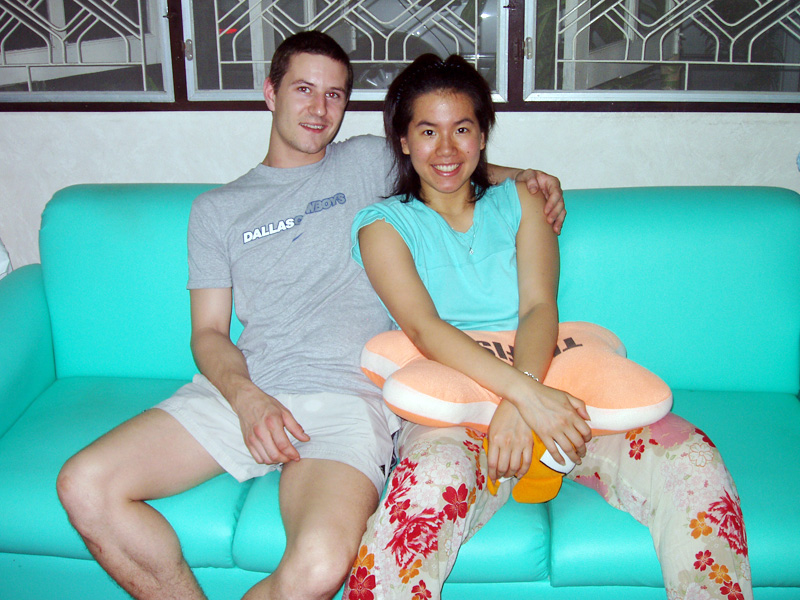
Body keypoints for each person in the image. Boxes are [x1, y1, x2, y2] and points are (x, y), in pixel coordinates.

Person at [56, 32, 566, 600]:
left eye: (335, 95)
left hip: (347, 399)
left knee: (321, 566)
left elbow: (449, 160)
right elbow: (208, 334)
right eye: (304, 89)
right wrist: (247, 399)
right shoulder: (216, 210)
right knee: (85, 484)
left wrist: (532, 176)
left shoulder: (369, 161)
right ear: (270, 92)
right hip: (246, 390)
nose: (320, 109)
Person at [344, 54, 751, 600]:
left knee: (692, 460)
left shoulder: (523, 200)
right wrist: (521, 395)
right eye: (427, 131)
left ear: (482, 135)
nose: (446, 149)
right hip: (449, 404)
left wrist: (525, 399)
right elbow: (423, 328)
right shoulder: (383, 227)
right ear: (403, 140)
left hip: (551, 384)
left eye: (462, 129)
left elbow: (539, 307)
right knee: (427, 487)